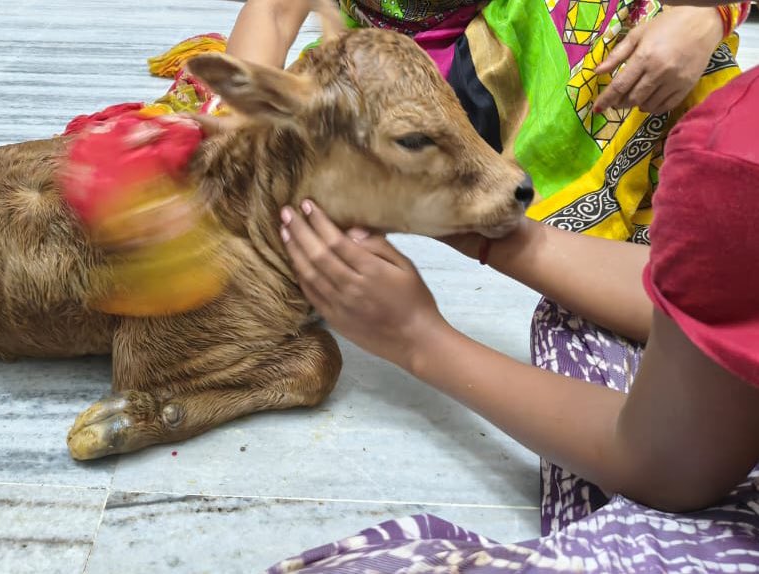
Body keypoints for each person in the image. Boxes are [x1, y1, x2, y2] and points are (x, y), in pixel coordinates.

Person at [268, 0, 759, 570]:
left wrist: (417, 338)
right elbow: (714, 297)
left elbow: (667, 462)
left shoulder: (729, 159)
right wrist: (491, 239)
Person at [226, 0, 749, 246]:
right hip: (386, 93)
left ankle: (706, 213)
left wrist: (705, 15)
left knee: (652, 27)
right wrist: (241, 120)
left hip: (516, 66)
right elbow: (272, 13)